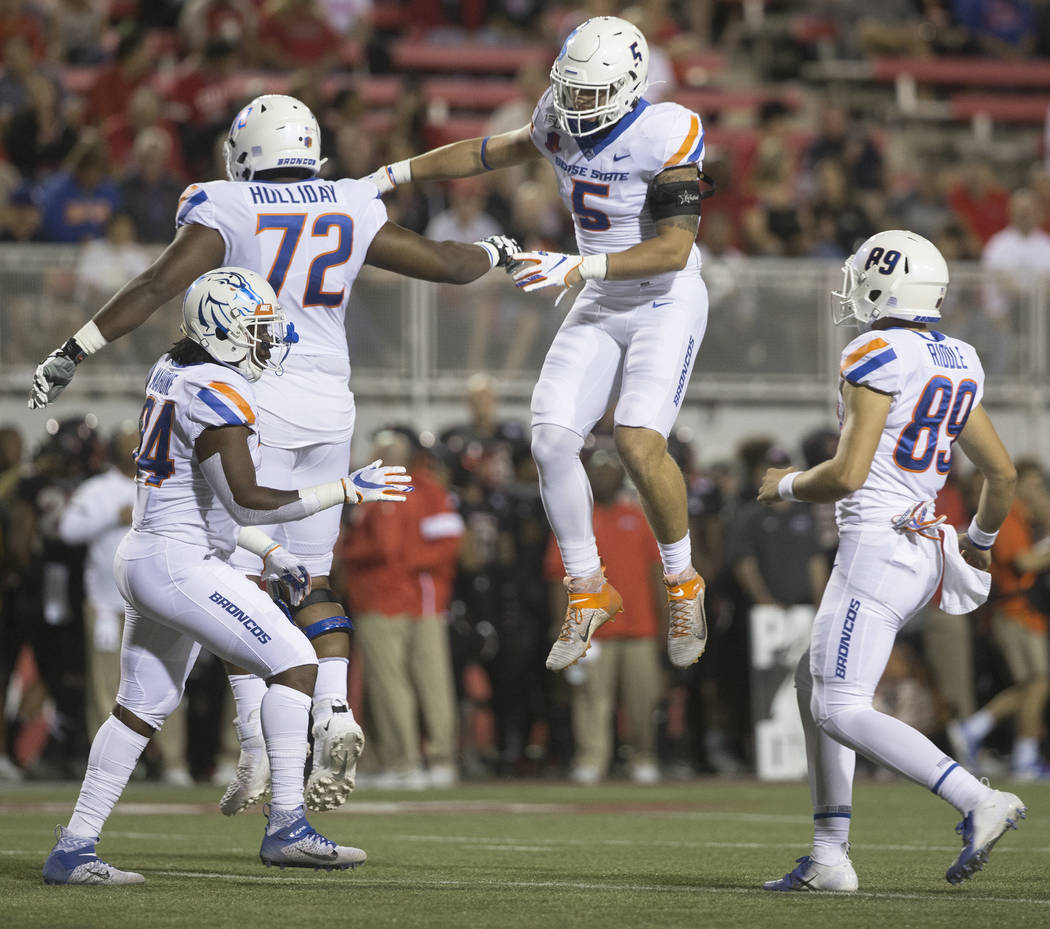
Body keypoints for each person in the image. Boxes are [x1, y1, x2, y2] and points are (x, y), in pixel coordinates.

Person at [27, 93, 519, 815]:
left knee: (234, 570)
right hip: (333, 405)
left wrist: (77, 346)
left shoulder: (228, 205)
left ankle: (256, 742)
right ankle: (330, 708)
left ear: (244, 153)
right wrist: (501, 252)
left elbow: (160, 283)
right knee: (306, 575)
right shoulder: (350, 197)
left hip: (259, 394)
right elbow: (447, 263)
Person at [363, 15, 712, 673]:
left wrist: (581, 266)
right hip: (597, 293)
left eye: (589, 92)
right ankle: (588, 588)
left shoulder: (667, 130)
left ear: (630, 83)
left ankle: (684, 582)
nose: (574, 103)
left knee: (638, 441)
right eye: (569, 89)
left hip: (664, 298)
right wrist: (392, 174)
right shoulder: (558, 112)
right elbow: (487, 151)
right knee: (549, 437)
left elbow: (674, 248)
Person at [42, 267, 413, 885]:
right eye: (258, 329)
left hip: (151, 554)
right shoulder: (215, 388)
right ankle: (288, 826)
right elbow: (244, 497)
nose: (269, 342)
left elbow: (205, 502)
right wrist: (342, 489)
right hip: (177, 562)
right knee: (297, 660)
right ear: (221, 330)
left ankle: (74, 847)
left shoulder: (173, 371)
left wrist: (269, 554)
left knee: (140, 708)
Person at [757, 229, 1026, 892]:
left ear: (884, 285)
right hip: (921, 545)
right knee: (811, 681)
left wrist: (785, 483)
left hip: (878, 545)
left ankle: (976, 797)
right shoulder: (957, 357)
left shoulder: (875, 349)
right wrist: (981, 544)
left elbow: (848, 474)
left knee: (838, 706)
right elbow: (1003, 474)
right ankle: (829, 853)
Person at [58, 424, 192, 786]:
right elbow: (67, 530)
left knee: (166, 681)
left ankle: (173, 762)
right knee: (106, 688)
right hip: (106, 604)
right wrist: (110, 518)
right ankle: (111, 770)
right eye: (128, 444)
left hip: (157, 602)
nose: (135, 449)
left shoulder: (167, 483)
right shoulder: (97, 490)